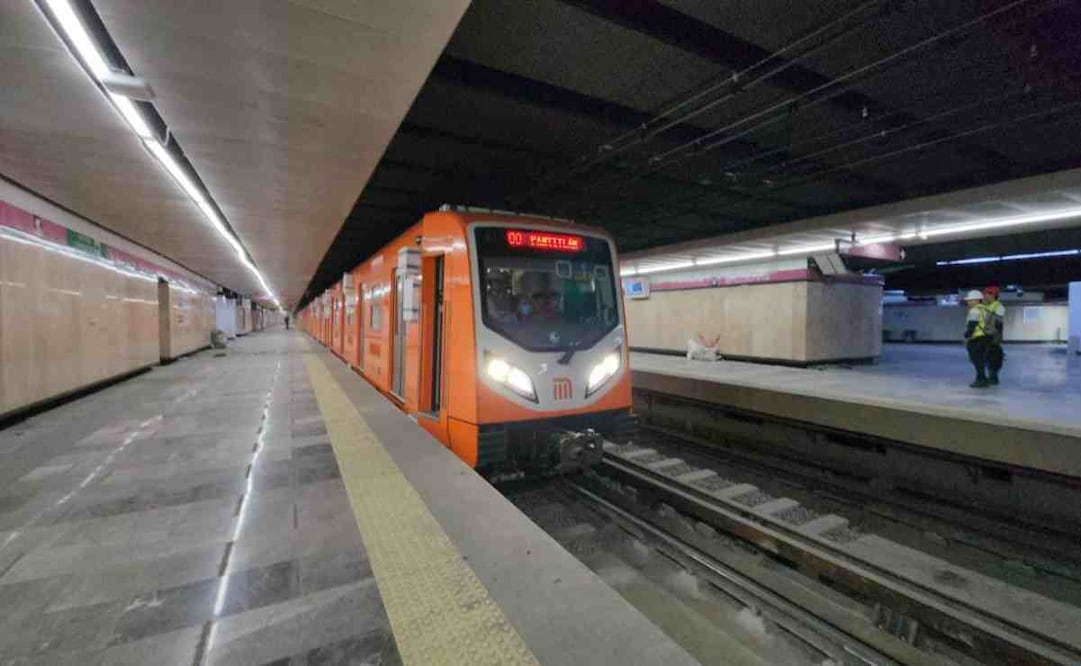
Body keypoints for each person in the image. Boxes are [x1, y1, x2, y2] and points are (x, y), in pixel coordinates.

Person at [962, 290, 995, 388]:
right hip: (987, 337)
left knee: (977, 360)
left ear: (976, 300)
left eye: (970, 300)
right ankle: (983, 378)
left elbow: (972, 325)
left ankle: (981, 380)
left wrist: (967, 335)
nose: (968, 302)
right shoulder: (985, 309)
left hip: (978, 338)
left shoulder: (975, 310)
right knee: (981, 359)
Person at [982, 286, 1006, 384]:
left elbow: (998, 323)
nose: (984, 296)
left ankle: (993, 377)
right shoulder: (987, 305)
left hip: (992, 336)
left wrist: (997, 336)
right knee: (987, 356)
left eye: (987, 294)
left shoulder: (998, 306)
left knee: (993, 357)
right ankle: (991, 376)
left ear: (993, 295)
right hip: (986, 334)